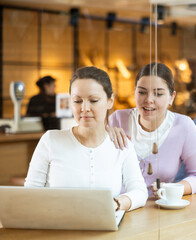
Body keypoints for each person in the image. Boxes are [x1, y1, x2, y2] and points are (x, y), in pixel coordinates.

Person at [25, 66, 148, 212]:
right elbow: (29, 195)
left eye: (93, 100)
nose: (84, 108)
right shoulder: (50, 140)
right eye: (77, 101)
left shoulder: (121, 144)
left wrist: (116, 203)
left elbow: (140, 191)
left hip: (106, 230)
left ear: (110, 101)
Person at [107, 63, 196, 197]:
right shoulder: (117, 119)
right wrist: (102, 135)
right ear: (134, 92)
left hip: (158, 210)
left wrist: (173, 188)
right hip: (118, 207)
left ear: (171, 97)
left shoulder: (184, 126)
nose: (149, 100)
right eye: (142, 92)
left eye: (158, 94)